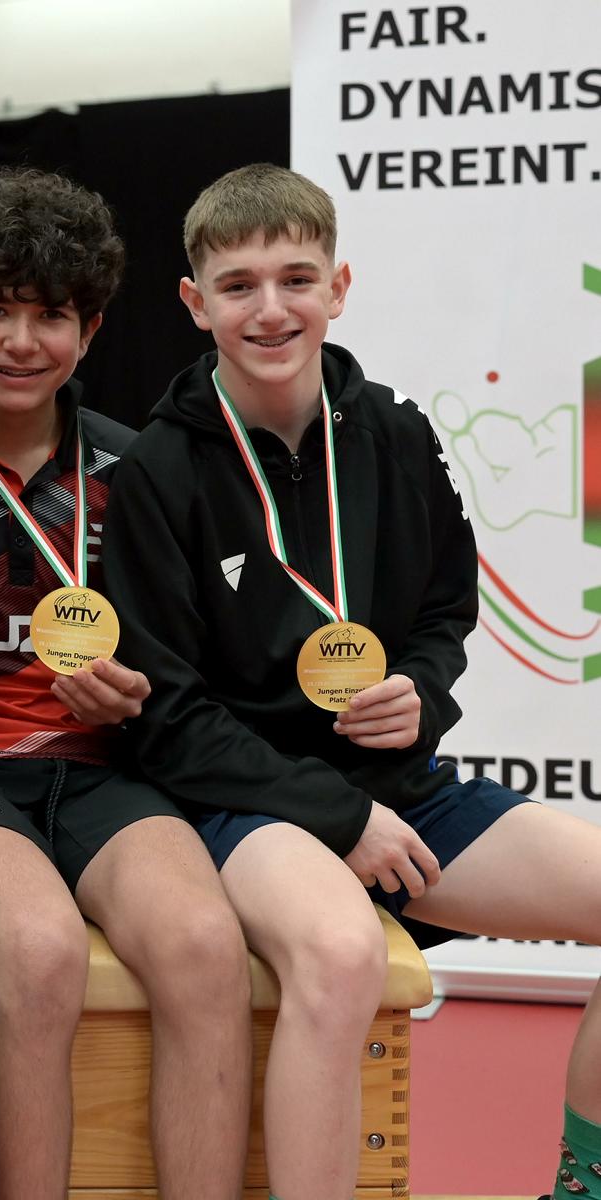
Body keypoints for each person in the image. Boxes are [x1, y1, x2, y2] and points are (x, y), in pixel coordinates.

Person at [104, 162, 601, 1200]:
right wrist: (338, 816)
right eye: (238, 286)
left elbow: (444, 609)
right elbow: (170, 719)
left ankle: (582, 1182)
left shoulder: (393, 432)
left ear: (338, 287)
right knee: (340, 954)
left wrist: (420, 687)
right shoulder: (156, 470)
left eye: (296, 279)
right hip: (242, 808)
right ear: (194, 303)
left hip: (398, 792)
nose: (270, 309)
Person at [0, 165, 251, 1199]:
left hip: (107, 772)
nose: (21, 341)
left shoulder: (142, 471)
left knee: (204, 945)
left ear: (88, 333)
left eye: (50, 316)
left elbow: (188, 657)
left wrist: (139, 692)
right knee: (39, 954)